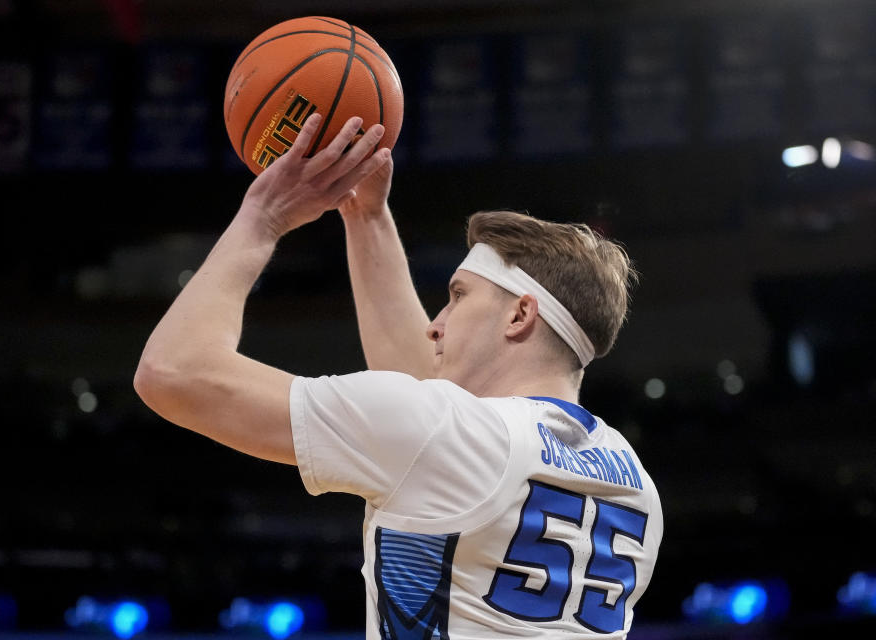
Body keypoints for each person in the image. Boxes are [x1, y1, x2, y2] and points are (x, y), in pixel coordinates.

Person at [135, 114, 662, 639]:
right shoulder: (634, 482)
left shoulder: (446, 433)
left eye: (457, 297)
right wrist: (367, 217)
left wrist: (263, 218)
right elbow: (428, 408)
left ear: (519, 315)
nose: (435, 326)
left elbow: (174, 371)